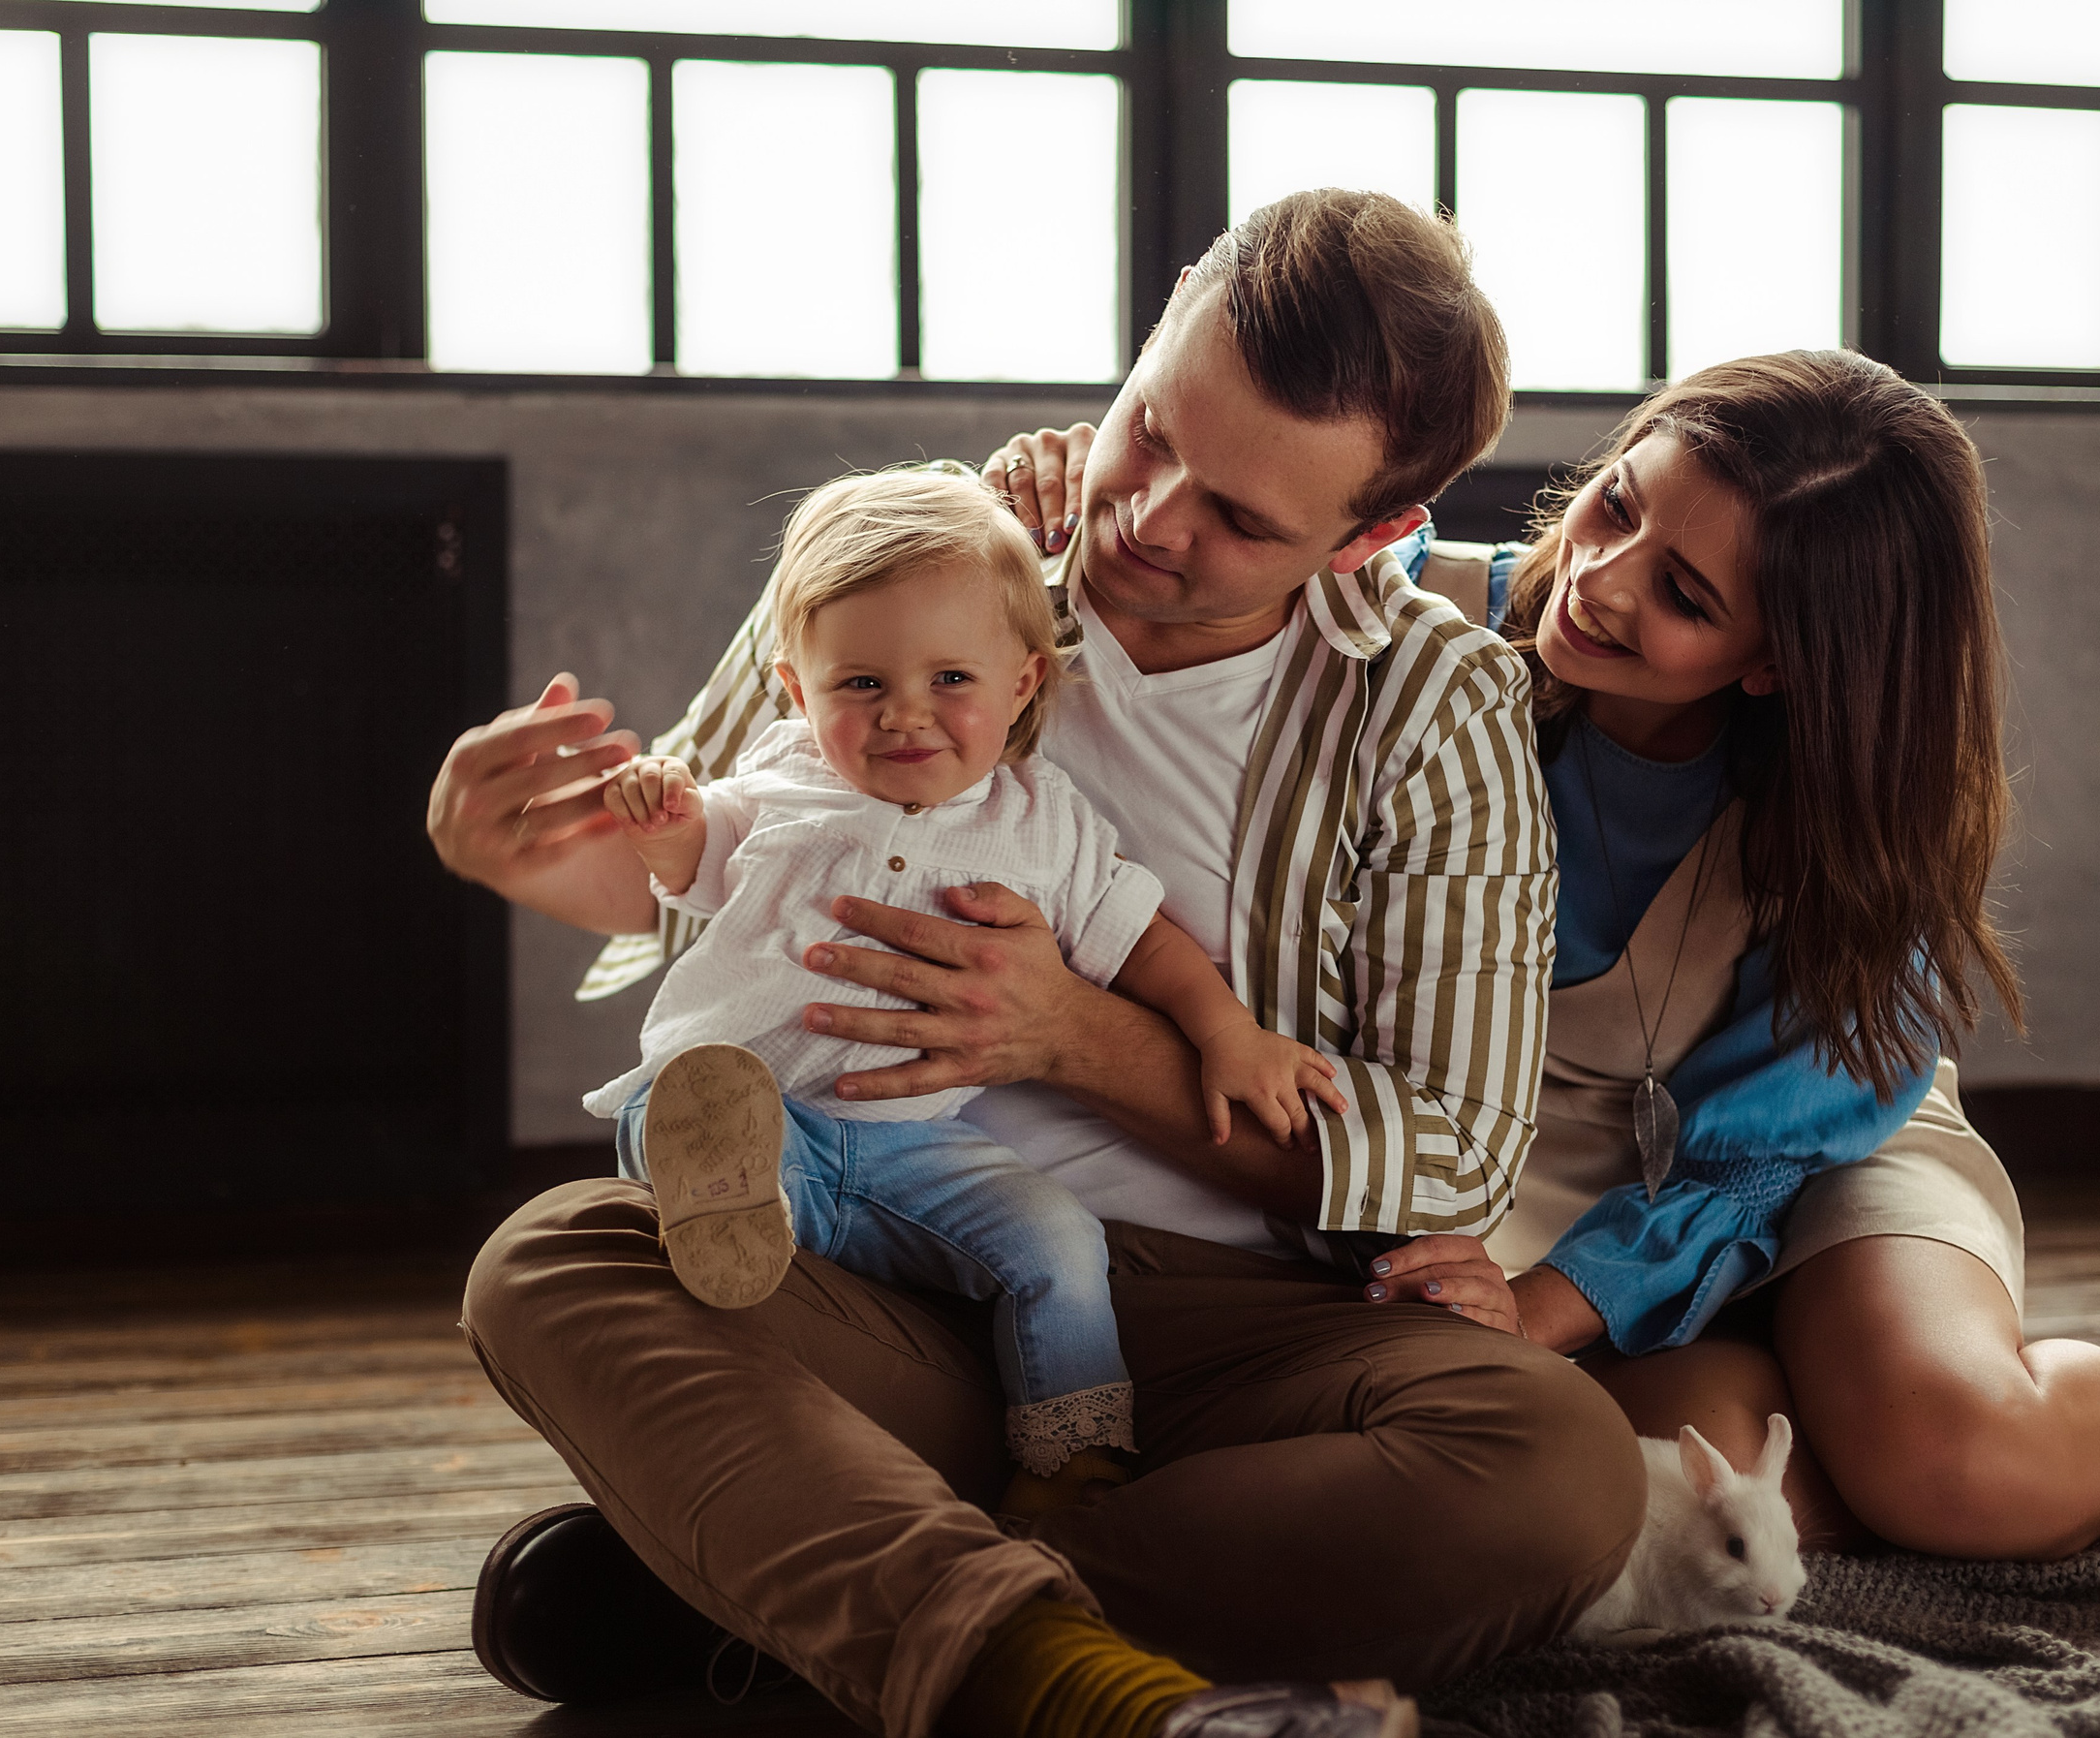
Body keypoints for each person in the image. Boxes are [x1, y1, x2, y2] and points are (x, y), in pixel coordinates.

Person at [429, 190, 1637, 1738]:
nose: (1151, 520)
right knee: (555, 1260)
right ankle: (1034, 1659)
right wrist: (525, 853)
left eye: (1241, 519)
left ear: (1370, 534)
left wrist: (1070, 1035)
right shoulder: (915, 554)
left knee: (1557, 1470)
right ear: (1157, 331)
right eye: (1152, 433)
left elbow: (1448, 1153)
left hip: (1242, 1324)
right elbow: (711, 871)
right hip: (882, 1268)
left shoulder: (1432, 702)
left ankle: (808, 1571)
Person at [1330, 350, 2100, 1555]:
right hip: (1536, 1172)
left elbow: (1758, 1162)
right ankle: (2000, 1425)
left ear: (1779, 660)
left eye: (1684, 596)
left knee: (1962, 1466)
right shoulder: (1407, 612)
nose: (1597, 581)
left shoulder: (1852, 809)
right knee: (1702, 1507)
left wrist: (1539, 1311)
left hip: (1812, 1150)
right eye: (1616, 505)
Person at [589, 466, 1343, 1510]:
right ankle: (731, 1220)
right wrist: (666, 827)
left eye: (950, 678)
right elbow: (700, 863)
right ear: (799, 693)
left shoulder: (1044, 822)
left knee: (1058, 1240)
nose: (906, 715)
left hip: (909, 1146)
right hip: (747, 1109)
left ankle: (1071, 1454)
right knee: (679, 1117)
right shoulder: (784, 779)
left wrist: (1228, 1033)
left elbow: (1140, 939)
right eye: (861, 685)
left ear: (1024, 683)